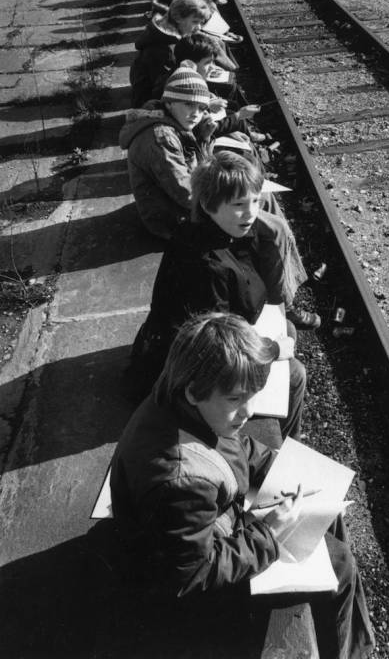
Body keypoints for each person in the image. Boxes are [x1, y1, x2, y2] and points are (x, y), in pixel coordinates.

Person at [110, 314, 374, 659]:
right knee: (339, 564)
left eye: (253, 396)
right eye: (235, 399)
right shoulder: (181, 481)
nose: (248, 412)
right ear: (193, 392)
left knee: (327, 508)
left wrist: (278, 467)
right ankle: (351, 651)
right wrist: (269, 534)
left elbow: (234, 447)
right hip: (184, 595)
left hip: (197, 532)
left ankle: (355, 642)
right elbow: (193, 575)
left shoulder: (187, 402)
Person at [123, 151, 316, 404]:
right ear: (207, 205)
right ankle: (275, 440)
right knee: (296, 376)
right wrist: (272, 350)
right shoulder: (206, 266)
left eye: (256, 201)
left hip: (204, 337)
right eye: (238, 205)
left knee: (288, 328)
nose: (251, 213)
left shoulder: (211, 231)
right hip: (194, 365)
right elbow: (217, 346)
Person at [119, 63, 216, 240]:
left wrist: (203, 139)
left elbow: (197, 173)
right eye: (189, 104)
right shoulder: (161, 137)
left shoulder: (174, 123)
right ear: (169, 103)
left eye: (202, 108)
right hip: (170, 220)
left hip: (173, 208)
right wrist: (226, 199)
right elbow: (186, 195)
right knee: (265, 224)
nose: (196, 114)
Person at [129, 0, 212, 107]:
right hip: (149, 104)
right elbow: (162, 89)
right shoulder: (164, 50)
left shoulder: (165, 35)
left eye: (201, 22)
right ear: (178, 18)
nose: (199, 27)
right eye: (195, 22)